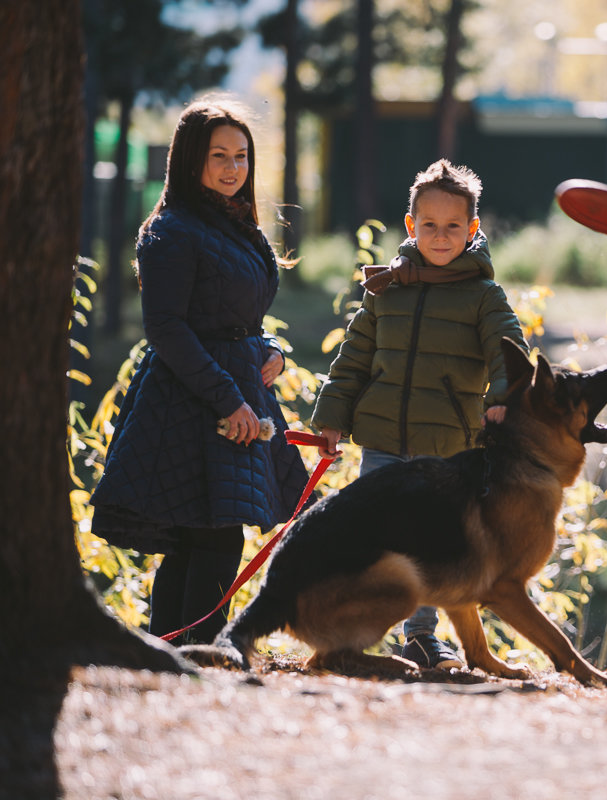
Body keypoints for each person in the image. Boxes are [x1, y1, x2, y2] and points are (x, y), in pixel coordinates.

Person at [90, 98, 309, 645]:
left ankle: (177, 652)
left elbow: (244, 318)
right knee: (208, 538)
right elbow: (166, 328)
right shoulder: (172, 230)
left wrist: (274, 350)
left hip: (236, 393)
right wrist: (228, 400)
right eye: (219, 155)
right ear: (191, 160)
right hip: (190, 401)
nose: (233, 168)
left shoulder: (240, 228)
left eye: (241, 156)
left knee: (203, 538)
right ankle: (191, 655)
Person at [310, 159, 528, 670]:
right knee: (375, 537)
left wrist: (501, 395)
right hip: (383, 439)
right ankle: (353, 632)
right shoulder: (388, 290)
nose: (440, 235)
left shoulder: (482, 296)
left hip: (446, 448)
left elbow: (507, 351)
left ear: (473, 230)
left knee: (433, 543)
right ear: (410, 226)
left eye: (454, 226)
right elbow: (354, 359)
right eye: (428, 225)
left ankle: (423, 638)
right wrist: (331, 418)